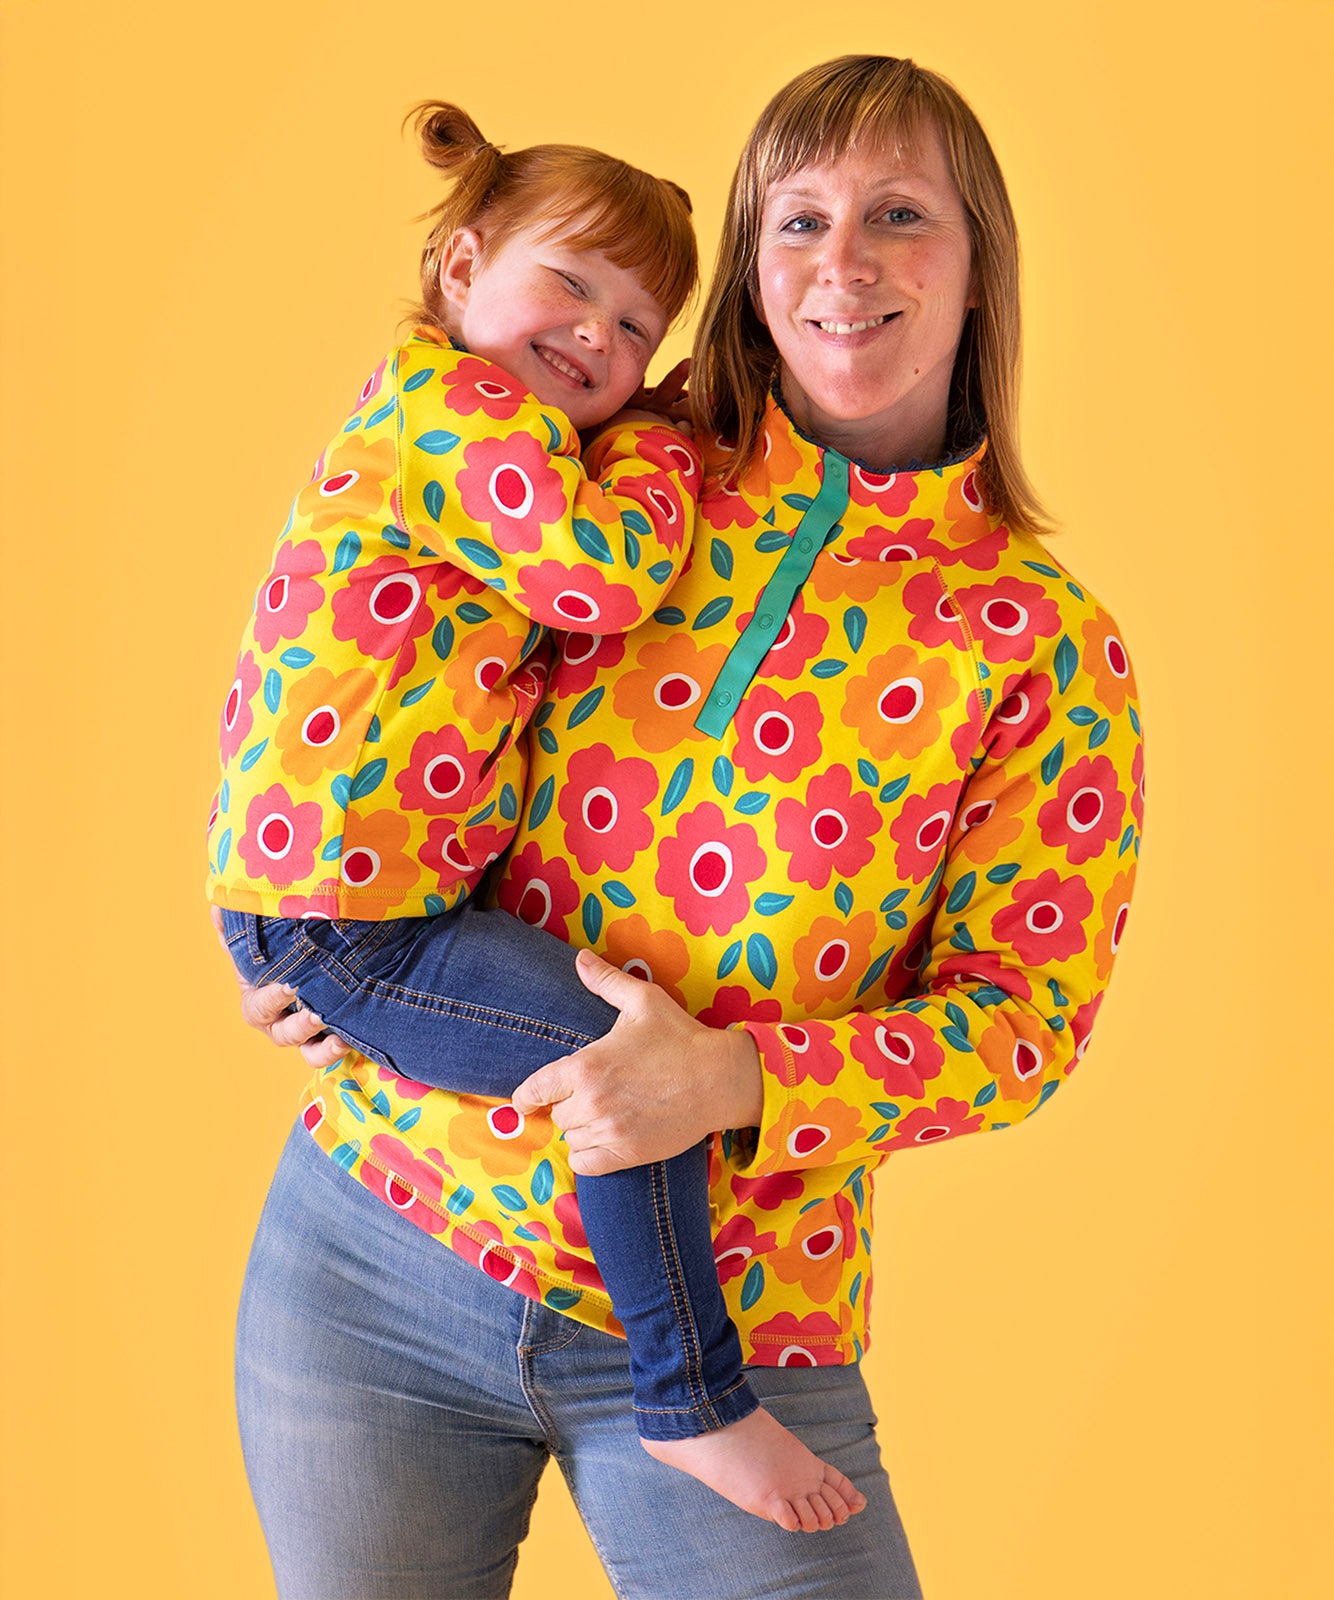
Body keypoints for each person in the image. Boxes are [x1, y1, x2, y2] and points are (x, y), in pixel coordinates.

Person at [228, 55, 1143, 1600]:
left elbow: (1021, 1025)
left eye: (898, 215)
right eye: (797, 220)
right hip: (378, 1245)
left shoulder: (1039, 644)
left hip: (740, 1320)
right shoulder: (605, 464)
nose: (841, 263)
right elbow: (361, 643)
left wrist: (732, 1079)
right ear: (749, 267)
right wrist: (314, 925)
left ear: (980, 263)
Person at [209, 99, 862, 1532]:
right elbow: (603, 578)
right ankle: (692, 1398)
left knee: (624, 1060)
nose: (598, 340)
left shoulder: (482, 432)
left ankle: (681, 1391)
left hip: (351, 896)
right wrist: (663, 439)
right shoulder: (455, 412)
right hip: (348, 908)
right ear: (461, 265)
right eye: (570, 285)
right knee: (626, 1063)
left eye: (636, 328)